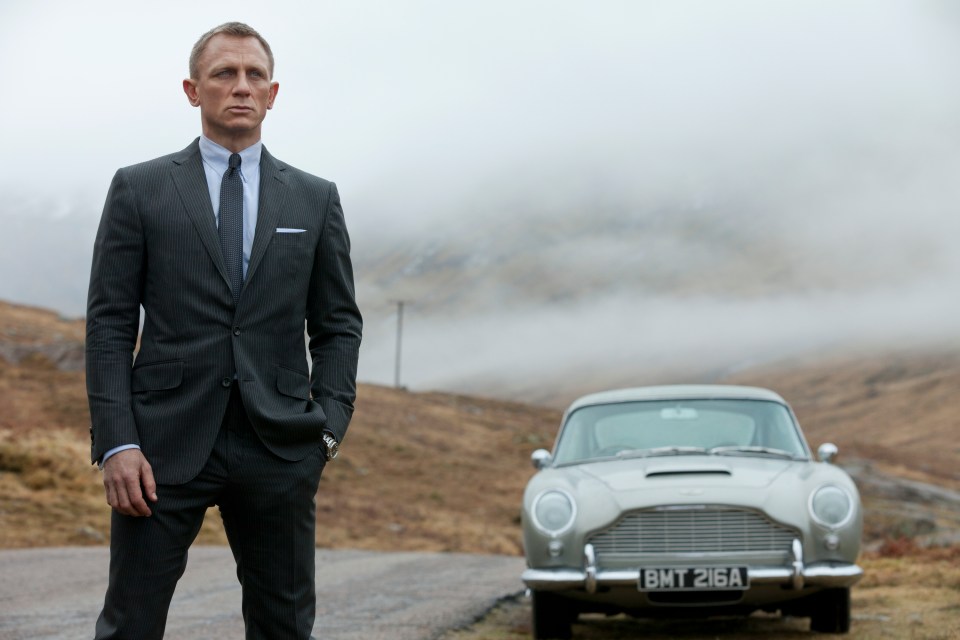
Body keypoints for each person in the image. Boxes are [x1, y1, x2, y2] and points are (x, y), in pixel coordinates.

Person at [85, 21, 362, 639]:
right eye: (223, 74)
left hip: (279, 446)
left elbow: (338, 324)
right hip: (158, 449)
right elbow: (108, 324)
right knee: (129, 624)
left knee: (284, 626)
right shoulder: (140, 188)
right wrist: (116, 442)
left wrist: (328, 430)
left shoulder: (315, 199)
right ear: (192, 89)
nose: (241, 86)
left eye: (253, 75)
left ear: (273, 92)